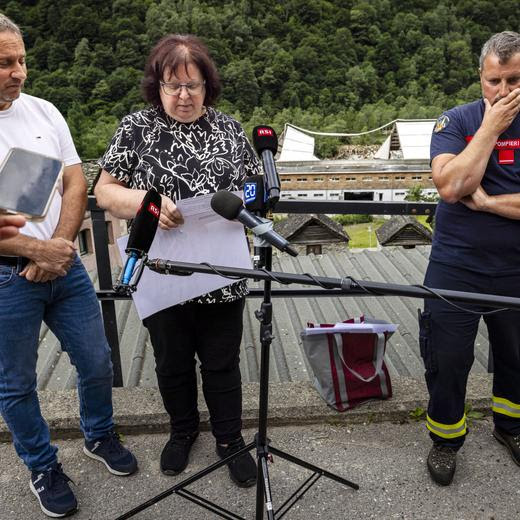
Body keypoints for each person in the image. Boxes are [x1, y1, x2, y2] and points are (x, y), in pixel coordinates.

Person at [94, 34, 259, 487]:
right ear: (158, 86)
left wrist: (246, 201)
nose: (183, 96)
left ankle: (230, 439)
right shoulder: (136, 129)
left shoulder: (229, 129)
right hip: (161, 271)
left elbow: (253, 191)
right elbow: (105, 192)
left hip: (222, 270)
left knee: (223, 361)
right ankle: (182, 431)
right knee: (171, 362)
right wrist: (147, 202)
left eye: (193, 85)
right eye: (173, 86)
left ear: (208, 85)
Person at [0, 14, 137, 518]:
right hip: (5, 277)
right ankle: (41, 465)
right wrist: (32, 253)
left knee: (97, 360)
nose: (19, 72)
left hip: (65, 267)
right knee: (15, 384)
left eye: (22, 60)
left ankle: (99, 435)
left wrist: (58, 247)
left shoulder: (44, 112)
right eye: (5, 63)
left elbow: (76, 183)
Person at [421, 30, 520, 486]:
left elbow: (470, 194)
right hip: (455, 266)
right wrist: (490, 129)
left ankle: (511, 427)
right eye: (494, 81)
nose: (503, 92)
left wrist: (488, 204)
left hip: (515, 268)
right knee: (448, 358)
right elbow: (451, 186)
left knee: (517, 358)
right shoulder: (456, 122)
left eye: (514, 80)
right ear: (480, 78)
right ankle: (445, 439)